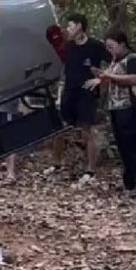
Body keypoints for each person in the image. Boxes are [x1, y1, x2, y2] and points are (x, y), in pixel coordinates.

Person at [87, 29, 136, 198]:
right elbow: (110, 77)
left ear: (122, 44)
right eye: (107, 47)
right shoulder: (116, 61)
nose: (110, 50)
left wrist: (110, 76)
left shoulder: (132, 59)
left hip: (130, 107)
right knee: (122, 144)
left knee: (133, 144)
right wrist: (100, 78)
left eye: (112, 46)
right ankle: (129, 180)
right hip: (116, 107)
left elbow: (135, 78)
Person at [58, 13, 111, 180]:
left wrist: (100, 78)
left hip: (87, 94)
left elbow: (115, 62)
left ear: (79, 26)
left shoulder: (96, 46)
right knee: (59, 130)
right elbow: (63, 71)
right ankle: (58, 164)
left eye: (70, 25)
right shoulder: (67, 47)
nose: (68, 29)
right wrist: (59, 94)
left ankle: (90, 170)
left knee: (87, 131)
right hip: (69, 91)